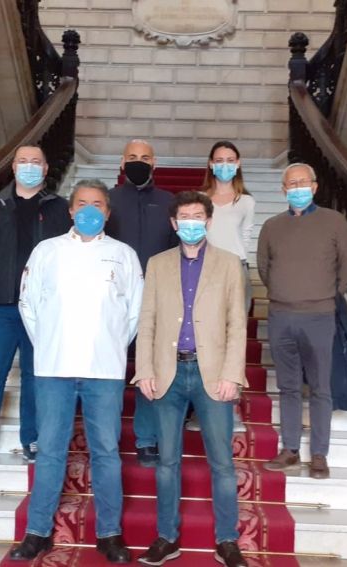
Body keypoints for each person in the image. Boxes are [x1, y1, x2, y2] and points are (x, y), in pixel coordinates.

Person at [9, 179, 142, 563]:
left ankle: (110, 533)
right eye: (82, 203)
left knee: (106, 452)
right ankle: (37, 532)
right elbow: (28, 304)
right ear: (70, 210)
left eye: (97, 204)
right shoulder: (47, 251)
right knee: (51, 450)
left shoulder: (123, 255)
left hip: (104, 368)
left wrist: (111, 343)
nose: (89, 210)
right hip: (55, 366)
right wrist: (49, 341)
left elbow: (134, 312)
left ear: (107, 212)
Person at [133, 191, 248, 567]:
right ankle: (166, 538)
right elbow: (147, 320)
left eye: (198, 216)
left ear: (209, 221)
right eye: (184, 217)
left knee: (222, 463)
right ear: (174, 223)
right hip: (167, 373)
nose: (191, 223)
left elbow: (237, 324)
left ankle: (227, 541)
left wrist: (232, 375)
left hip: (211, 374)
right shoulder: (157, 264)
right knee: (167, 462)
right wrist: (144, 369)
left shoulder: (229, 264)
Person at [0, 145, 71, 465]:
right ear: (13, 167)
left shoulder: (59, 209)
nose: (29, 166)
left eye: (36, 161)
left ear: (46, 168)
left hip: (43, 309)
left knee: (36, 376)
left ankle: (32, 439)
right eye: (23, 161)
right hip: (1, 307)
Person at [258, 163, 347, 479]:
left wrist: (325, 295)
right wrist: (284, 292)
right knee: (287, 386)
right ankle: (290, 449)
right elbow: (264, 267)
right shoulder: (272, 226)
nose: (297, 188)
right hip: (281, 314)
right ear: (283, 190)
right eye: (291, 184)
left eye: (303, 182)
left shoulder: (334, 221)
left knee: (320, 386)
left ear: (314, 186)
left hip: (319, 315)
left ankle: (319, 454)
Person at [106, 139, 179, 468]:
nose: (139, 162)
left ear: (154, 163)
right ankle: (106, 437)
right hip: (113, 301)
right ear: (122, 163)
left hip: (156, 300)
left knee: (151, 369)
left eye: (145, 157)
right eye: (132, 157)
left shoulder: (168, 202)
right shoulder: (107, 200)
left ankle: (147, 438)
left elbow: (178, 251)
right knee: (110, 371)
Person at [190, 140, 255, 434]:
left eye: (230, 159)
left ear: (237, 164)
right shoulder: (200, 199)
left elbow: (246, 237)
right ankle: (199, 405)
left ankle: (231, 402)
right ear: (211, 164)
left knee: (233, 336)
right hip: (204, 269)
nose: (225, 165)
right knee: (203, 335)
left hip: (236, 269)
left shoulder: (247, 202)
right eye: (219, 160)